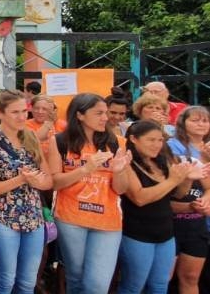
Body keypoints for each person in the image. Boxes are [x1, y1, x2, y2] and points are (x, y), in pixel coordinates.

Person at [48, 93, 132, 294]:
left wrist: (120, 170)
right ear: (80, 115)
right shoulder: (59, 141)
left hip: (108, 221)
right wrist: (85, 169)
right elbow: (54, 182)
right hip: (71, 218)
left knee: (97, 285)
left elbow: (120, 189)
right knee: (76, 278)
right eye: (99, 113)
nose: (106, 117)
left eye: (105, 113)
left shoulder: (117, 142)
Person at [0, 90, 52, 294]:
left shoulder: (31, 137)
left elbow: (48, 181)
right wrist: (21, 179)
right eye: (15, 112)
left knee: (28, 282)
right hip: (3, 218)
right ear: (0, 113)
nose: (22, 117)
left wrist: (37, 181)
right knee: (6, 279)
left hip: (33, 217)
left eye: (24, 111)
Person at [118, 120, 206, 294]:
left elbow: (178, 194)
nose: (157, 145)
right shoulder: (126, 163)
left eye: (160, 140)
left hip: (166, 235)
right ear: (134, 139)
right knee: (133, 286)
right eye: (151, 140)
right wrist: (173, 180)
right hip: (137, 234)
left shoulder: (162, 161)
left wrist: (187, 178)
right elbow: (140, 198)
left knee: (160, 285)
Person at [166, 107, 210, 293]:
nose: (201, 124)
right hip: (173, 220)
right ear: (182, 122)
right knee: (165, 278)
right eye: (195, 120)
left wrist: (207, 200)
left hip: (202, 221)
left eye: (205, 120)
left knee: (193, 277)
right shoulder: (171, 146)